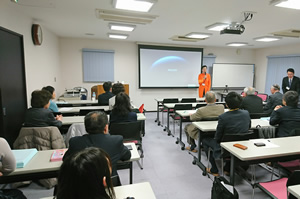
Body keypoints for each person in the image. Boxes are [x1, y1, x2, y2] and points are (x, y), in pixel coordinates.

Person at [64, 111, 131, 183]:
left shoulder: (75, 142)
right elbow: (127, 156)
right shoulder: (116, 141)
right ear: (106, 127)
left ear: (86, 128)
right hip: (109, 185)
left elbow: (65, 159)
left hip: (83, 186)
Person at [202, 92, 251, 176]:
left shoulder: (223, 117)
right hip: (241, 145)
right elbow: (249, 127)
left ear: (227, 105)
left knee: (205, 140)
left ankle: (214, 169)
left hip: (225, 148)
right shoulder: (246, 113)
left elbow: (218, 137)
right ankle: (227, 168)